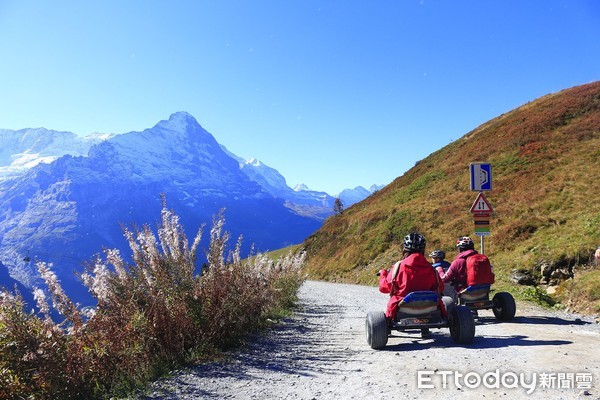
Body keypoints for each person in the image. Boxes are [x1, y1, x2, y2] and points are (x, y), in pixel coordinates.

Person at [379, 233, 444, 337]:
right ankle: (425, 327)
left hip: (404, 307)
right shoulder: (431, 269)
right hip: (429, 307)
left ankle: (388, 325)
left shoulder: (398, 267)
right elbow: (441, 287)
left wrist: (383, 274)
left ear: (405, 249)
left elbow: (384, 288)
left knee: (394, 299)